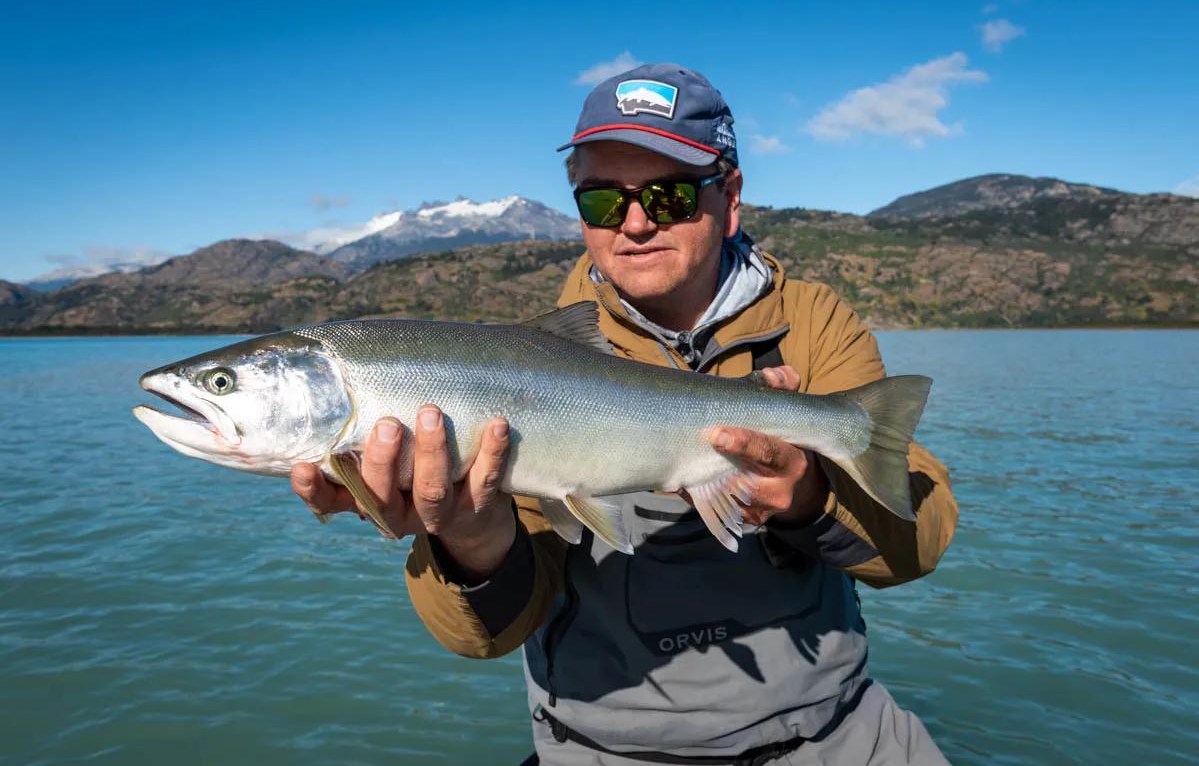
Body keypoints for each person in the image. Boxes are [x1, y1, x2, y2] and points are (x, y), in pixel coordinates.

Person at [291, 63, 959, 765]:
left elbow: (919, 546)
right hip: (605, 745)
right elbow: (484, 637)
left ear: (729, 197)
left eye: (667, 196)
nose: (635, 223)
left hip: (830, 730)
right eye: (603, 203)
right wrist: (467, 535)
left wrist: (808, 497)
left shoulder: (814, 322)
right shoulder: (521, 365)